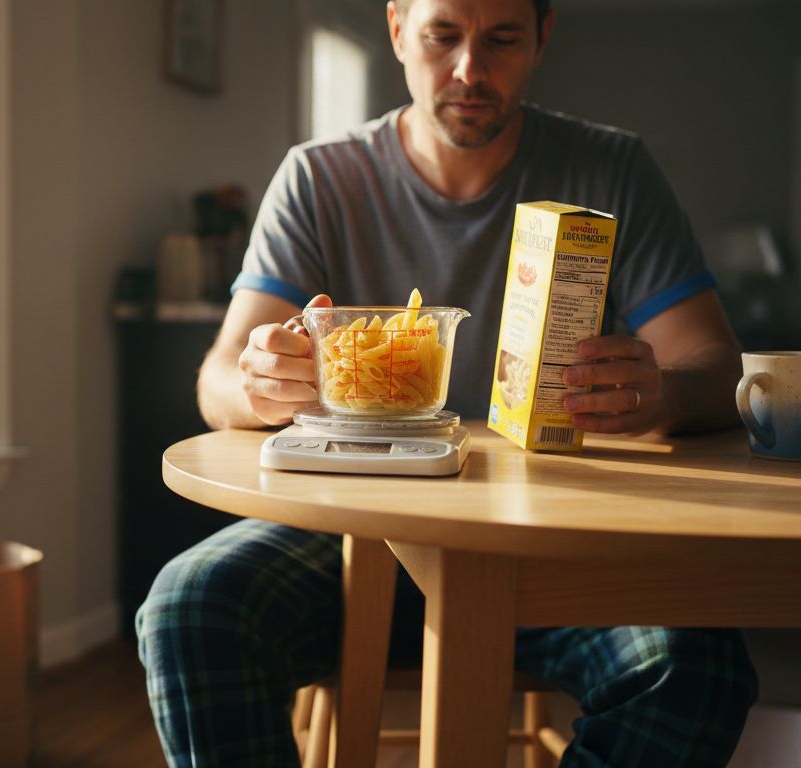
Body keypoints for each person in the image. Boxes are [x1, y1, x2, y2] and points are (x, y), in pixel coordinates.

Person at [136, 0, 759, 764]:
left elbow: (714, 366)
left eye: (501, 39)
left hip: (550, 538)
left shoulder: (612, 170)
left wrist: (657, 392)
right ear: (398, 29)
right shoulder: (319, 176)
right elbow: (220, 378)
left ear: (542, 38)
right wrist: (260, 383)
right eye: (442, 35)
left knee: (694, 663)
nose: (470, 69)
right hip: (344, 530)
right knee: (188, 606)